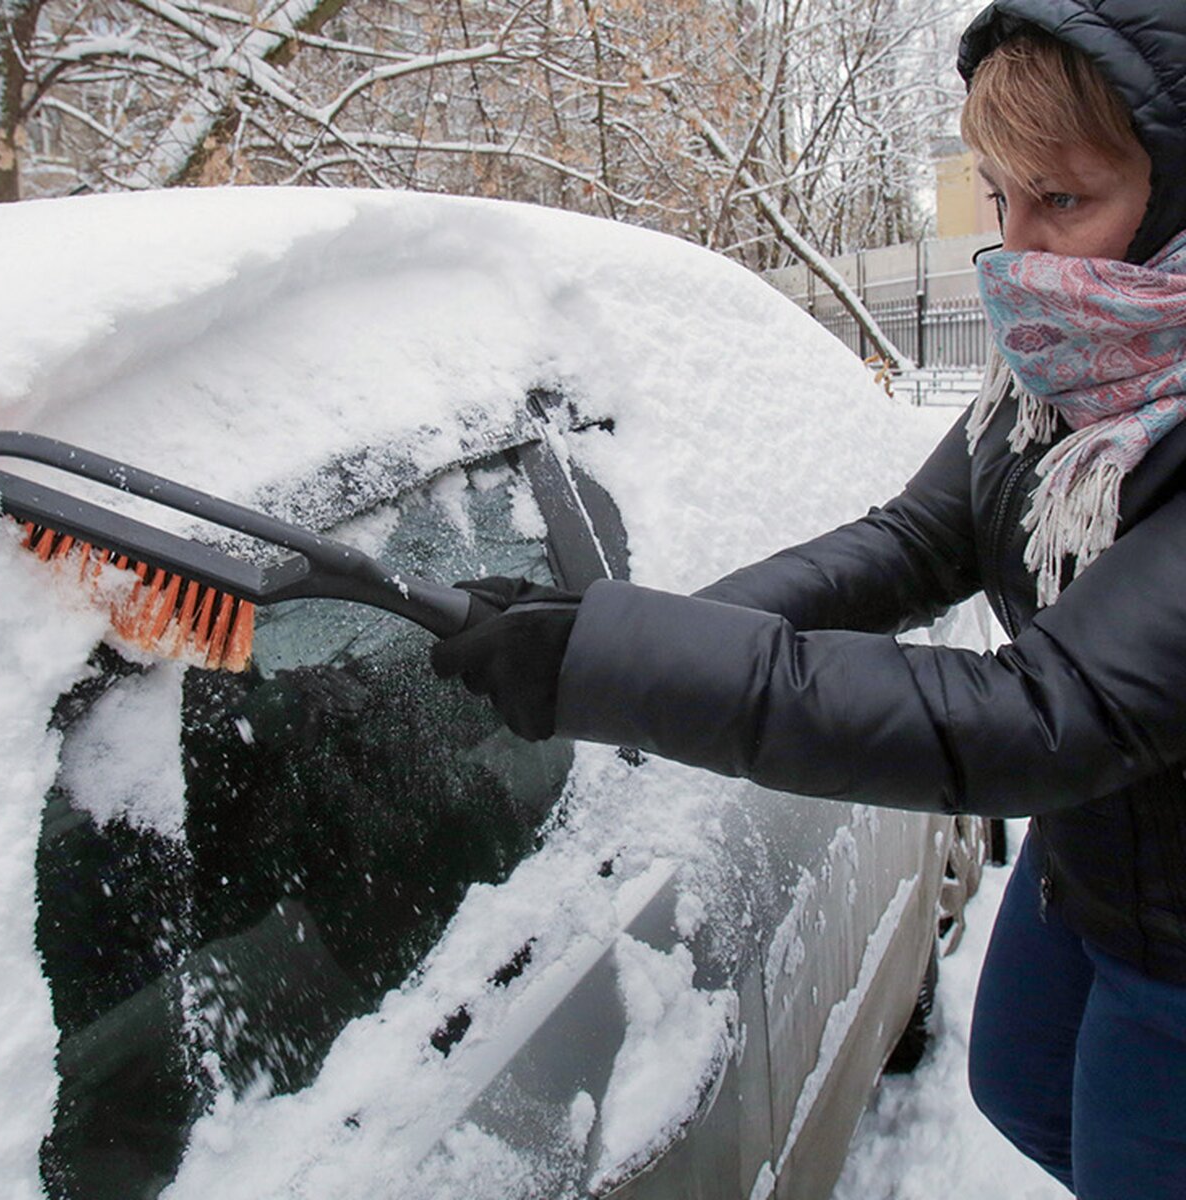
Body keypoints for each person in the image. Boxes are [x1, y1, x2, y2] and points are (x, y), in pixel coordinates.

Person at [431, 2, 1186, 1196]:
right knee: (1022, 1089)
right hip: (1098, 861)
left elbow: (1039, 714)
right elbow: (913, 539)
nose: (1025, 252)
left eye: (1067, 199)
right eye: (1002, 197)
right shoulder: (1069, 363)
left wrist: (616, 671)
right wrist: (640, 631)